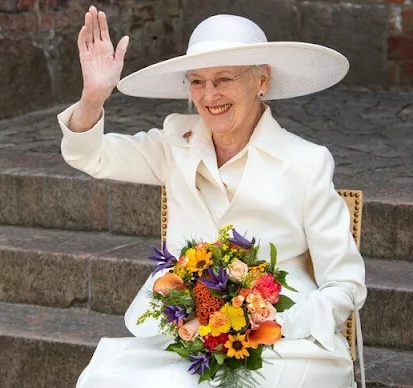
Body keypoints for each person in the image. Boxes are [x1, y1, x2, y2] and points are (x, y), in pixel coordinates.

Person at [57, 6, 367, 388]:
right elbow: (90, 154)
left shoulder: (306, 162)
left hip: (285, 342)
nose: (209, 95)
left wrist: (276, 323)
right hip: (187, 338)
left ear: (262, 80)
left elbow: (346, 285)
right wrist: (93, 97)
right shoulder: (176, 143)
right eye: (197, 82)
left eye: (223, 79)